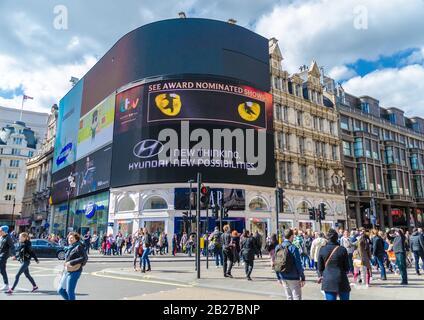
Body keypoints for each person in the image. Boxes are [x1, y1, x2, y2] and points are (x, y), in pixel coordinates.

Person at [318, 229, 351, 300]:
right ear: (337, 238)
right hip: (341, 279)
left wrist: (322, 274)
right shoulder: (342, 249)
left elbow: (320, 267)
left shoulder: (322, 249)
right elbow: (347, 267)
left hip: (328, 279)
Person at [275, 228, 305, 300]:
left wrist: (278, 277)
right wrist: (302, 277)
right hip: (293, 276)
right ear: (291, 236)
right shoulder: (293, 248)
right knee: (297, 297)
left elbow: (276, 263)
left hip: (283, 275)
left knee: (289, 297)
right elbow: (298, 264)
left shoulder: (278, 247)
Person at [57, 232, 88, 300]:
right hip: (67, 270)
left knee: (69, 291)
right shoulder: (69, 247)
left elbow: (84, 258)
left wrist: (71, 262)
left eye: (72, 238)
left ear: (76, 239)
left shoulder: (78, 246)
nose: (70, 239)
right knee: (60, 290)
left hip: (75, 271)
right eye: (69, 238)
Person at [0, 226, 16, 291]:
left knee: (2, 270)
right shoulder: (1, 237)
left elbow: (12, 247)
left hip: (4, 256)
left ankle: (6, 284)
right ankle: (6, 284)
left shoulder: (8, 238)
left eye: (0, 231)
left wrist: (15, 255)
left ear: (4, 231)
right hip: (0, 255)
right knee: (2, 270)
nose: (0, 232)